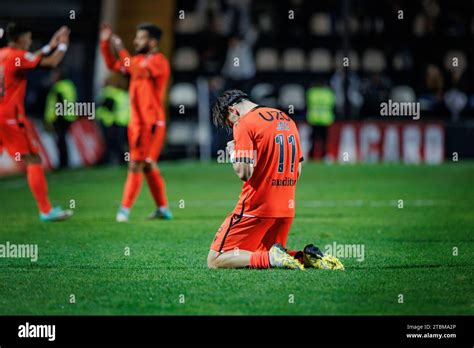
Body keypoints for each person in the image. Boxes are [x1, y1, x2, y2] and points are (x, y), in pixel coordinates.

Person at [207, 89, 343, 270]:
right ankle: (307, 257)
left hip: (257, 207)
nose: (232, 127)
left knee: (217, 259)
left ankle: (273, 259)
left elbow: (244, 173)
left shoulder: (244, 123)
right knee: (259, 251)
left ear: (233, 111)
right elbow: (298, 169)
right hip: (286, 207)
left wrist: (233, 152)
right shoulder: (286, 118)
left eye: (229, 124)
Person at [99, 23, 172, 222]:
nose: (135, 41)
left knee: (137, 164)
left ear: (152, 42)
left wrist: (120, 47)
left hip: (152, 122)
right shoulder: (137, 60)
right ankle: (163, 208)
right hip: (137, 123)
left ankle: (124, 210)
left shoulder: (158, 61)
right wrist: (106, 43)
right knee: (148, 165)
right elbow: (112, 65)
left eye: (140, 38)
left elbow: (137, 70)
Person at [0, 23, 73, 221]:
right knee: (34, 159)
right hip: (10, 118)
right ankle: (46, 210)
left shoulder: (4, 54)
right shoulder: (17, 56)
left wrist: (51, 44)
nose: (30, 42)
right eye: (28, 38)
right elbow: (50, 63)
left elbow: (31, 58)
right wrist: (63, 45)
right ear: (19, 39)